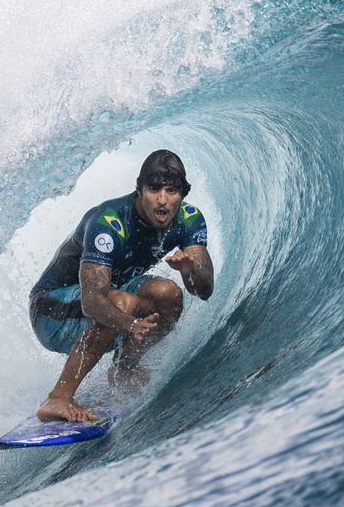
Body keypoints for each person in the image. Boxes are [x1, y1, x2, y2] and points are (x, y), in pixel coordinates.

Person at [28, 149, 215, 422]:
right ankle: (58, 397)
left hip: (106, 299)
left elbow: (205, 291)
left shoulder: (188, 219)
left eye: (171, 191)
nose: (162, 200)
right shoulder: (109, 223)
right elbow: (92, 302)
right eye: (154, 189)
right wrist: (131, 324)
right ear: (139, 190)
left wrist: (190, 271)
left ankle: (124, 368)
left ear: (182, 194)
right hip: (51, 312)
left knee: (169, 294)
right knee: (121, 303)